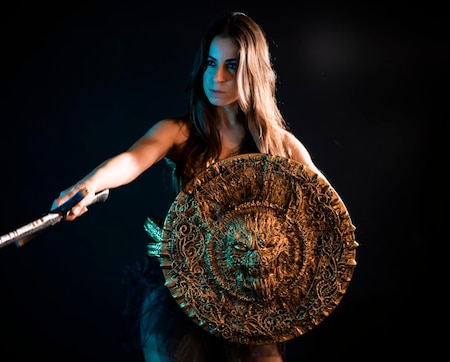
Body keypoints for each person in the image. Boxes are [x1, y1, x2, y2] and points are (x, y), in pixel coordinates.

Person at [52, 11, 326, 362]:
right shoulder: (179, 133)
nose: (217, 77)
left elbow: (327, 207)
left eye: (232, 66)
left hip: (246, 292)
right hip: (181, 289)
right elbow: (132, 160)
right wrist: (88, 186)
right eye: (211, 63)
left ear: (253, 72)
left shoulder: (280, 145)